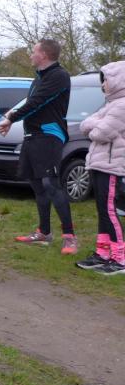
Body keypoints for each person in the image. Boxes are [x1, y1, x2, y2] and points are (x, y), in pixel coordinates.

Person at [0, 39, 78, 255]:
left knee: (51, 184)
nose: (31, 55)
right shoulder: (38, 78)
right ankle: (44, 232)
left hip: (49, 135)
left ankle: (70, 237)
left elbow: (38, 102)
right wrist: (10, 117)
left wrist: (11, 118)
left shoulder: (59, 76)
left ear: (44, 54)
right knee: (37, 184)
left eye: (33, 51)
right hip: (32, 135)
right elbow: (30, 103)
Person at [76, 61, 125, 274]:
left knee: (110, 211)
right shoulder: (110, 105)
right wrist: (96, 124)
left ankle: (120, 258)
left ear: (117, 81)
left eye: (105, 80)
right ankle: (103, 253)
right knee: (102, 211)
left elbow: (100, 133)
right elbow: (84, 125)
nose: (103, 84)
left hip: (111, 166)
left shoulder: (122, 106)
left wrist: (95, 126)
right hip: (98, 164)